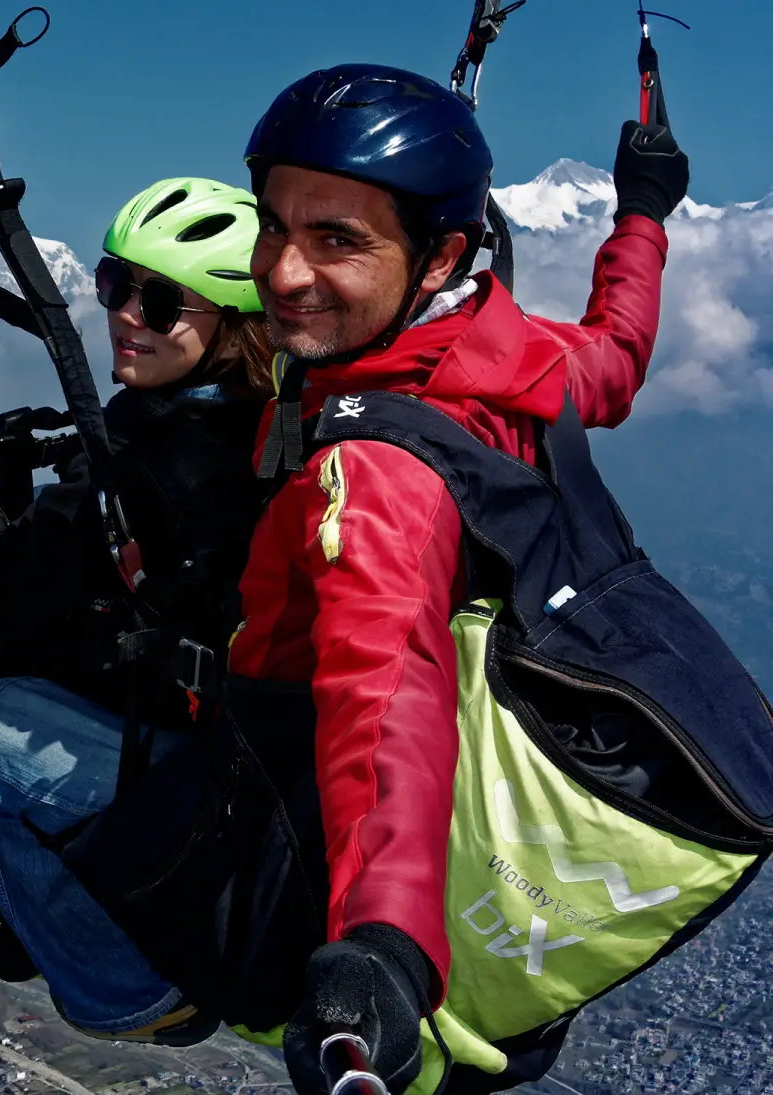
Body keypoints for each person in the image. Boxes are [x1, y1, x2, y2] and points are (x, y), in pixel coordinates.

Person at [222, 64, 685, 1095]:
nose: (282, 273)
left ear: (437, 257)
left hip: (313, 827)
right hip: (496, 840)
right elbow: (616, 357)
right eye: (274, 226)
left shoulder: (377, 471)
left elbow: (385, 698)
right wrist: (642, 217)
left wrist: (381, 947)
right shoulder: (513, 356)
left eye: (337, 239)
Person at [0, 177, 274, 1044]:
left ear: (230, 322)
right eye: (116, 285)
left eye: (157, 299)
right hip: (233, 744)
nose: (126, 314)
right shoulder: (261, 422)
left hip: (200, 766)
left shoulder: (142, 464)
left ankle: (123, 987)